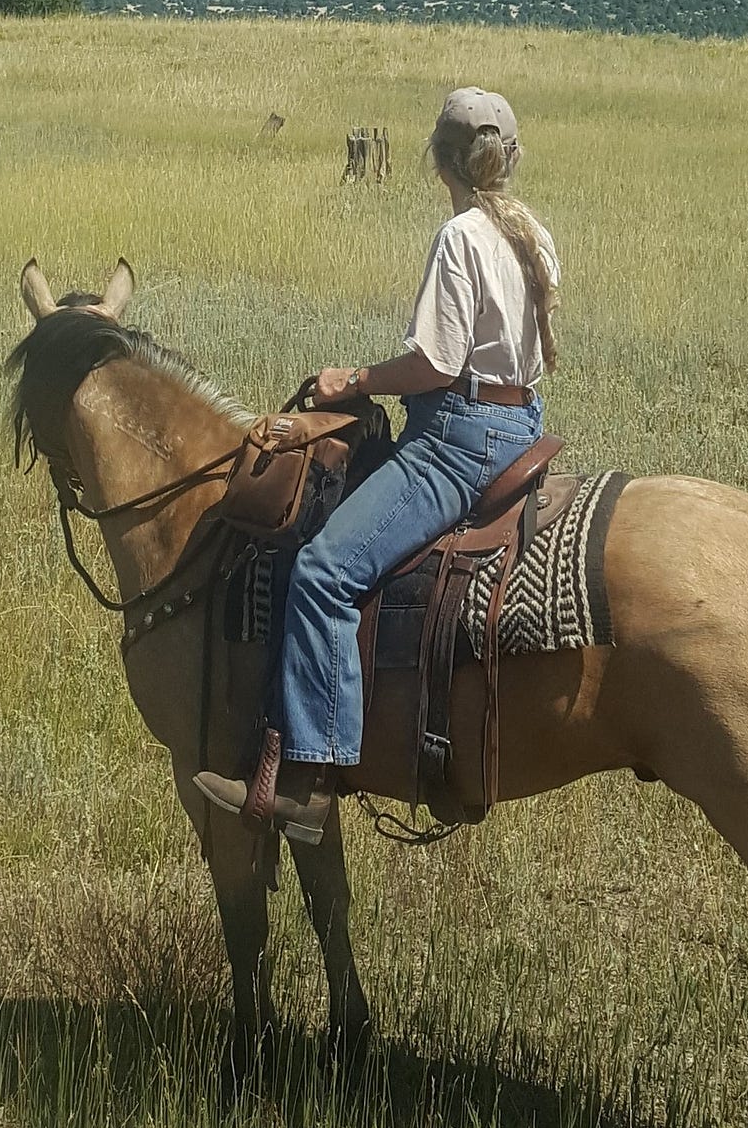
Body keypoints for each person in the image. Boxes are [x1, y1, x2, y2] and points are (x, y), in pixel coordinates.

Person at [195, 87, 559, 844]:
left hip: (460, 438)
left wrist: (352, 381)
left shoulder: (460, 236)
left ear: (440, 159)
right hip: (523, 426)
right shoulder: (530, 233)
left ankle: (314, 776)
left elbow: (435, 363)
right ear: (509, 160)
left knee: (324, 569)